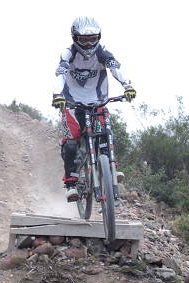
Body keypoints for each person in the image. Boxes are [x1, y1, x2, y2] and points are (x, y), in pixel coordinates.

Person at [52, 16, 136, 202]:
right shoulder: (68, 53)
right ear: (75, 38)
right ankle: (71, 183)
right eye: (84, 40)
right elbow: (60, 73)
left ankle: (110, 168)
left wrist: (127, 85)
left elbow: (115, 67)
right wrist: (57, 94)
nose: (88, 44)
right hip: (72, 103)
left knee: (106, 132)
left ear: (99, 37)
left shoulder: (102, 51)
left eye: (92, 39)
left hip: (98, 101)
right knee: (71, 143)